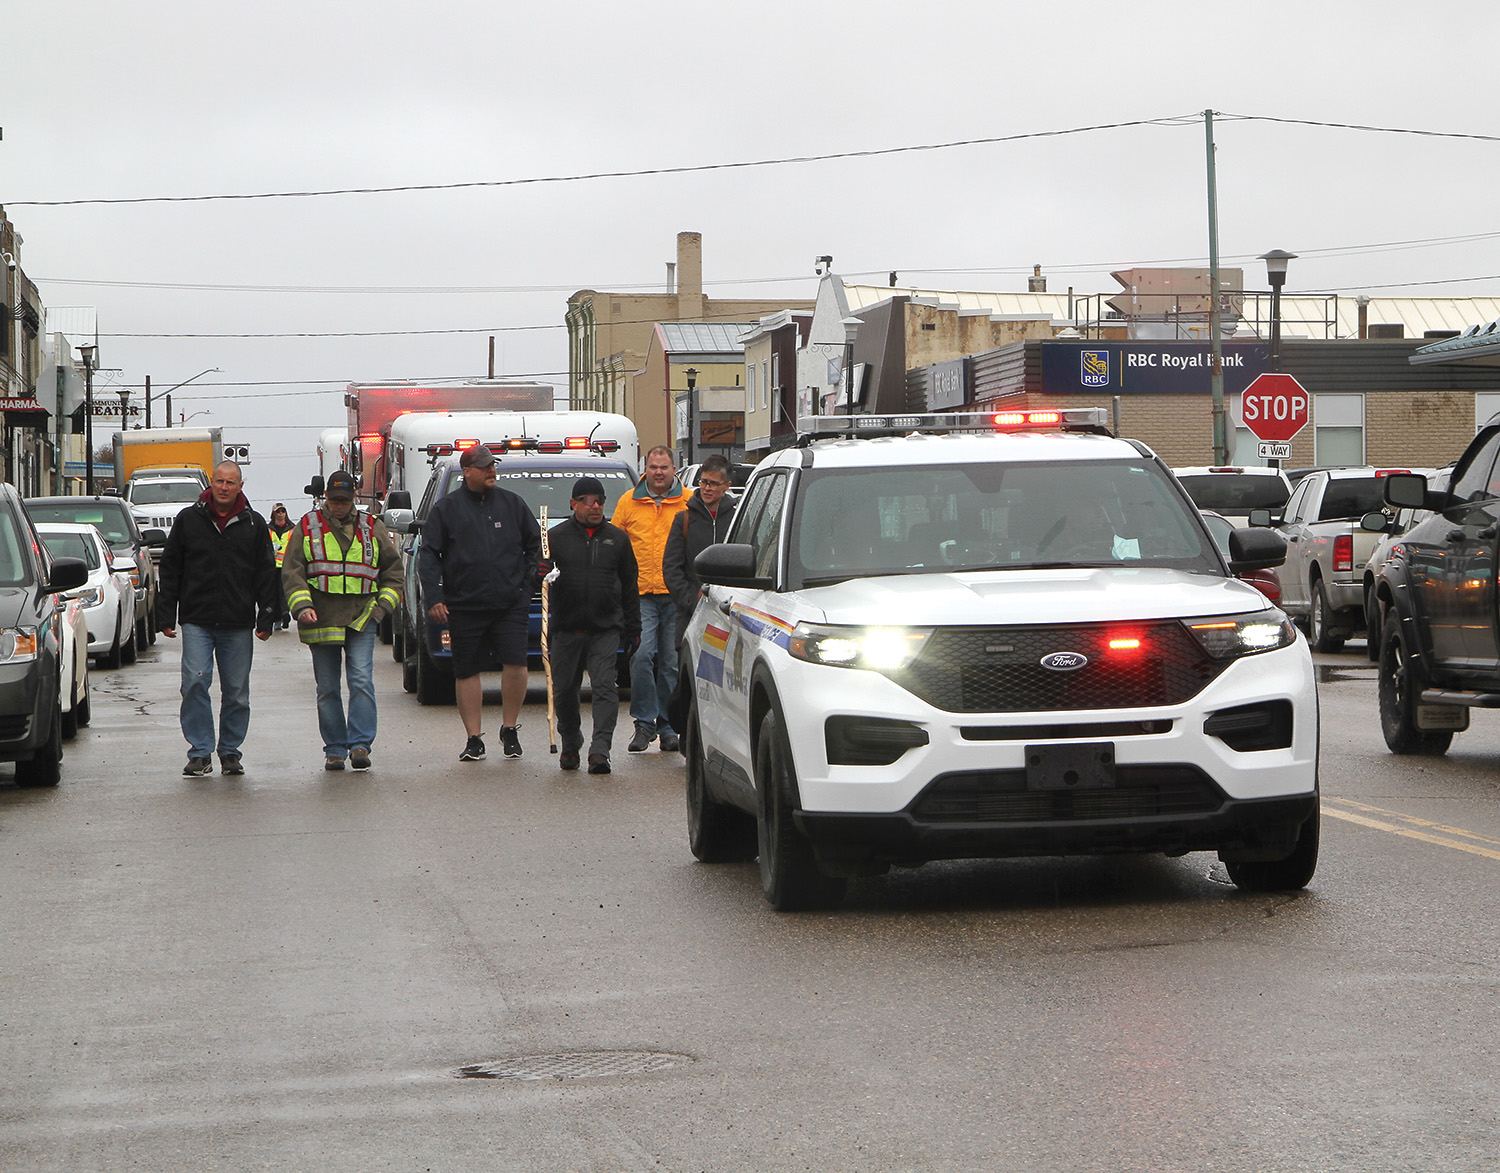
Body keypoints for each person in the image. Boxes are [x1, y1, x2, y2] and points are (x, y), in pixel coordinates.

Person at [418, 444, 541, 762]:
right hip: (464, 605)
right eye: (484, 467)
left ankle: (509, 728)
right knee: (467, 670)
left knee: (516, 664)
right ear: (467, 472)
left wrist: (526, 588)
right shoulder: (447, 509)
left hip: (510, 603)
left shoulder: (513, 504)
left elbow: (535, 546)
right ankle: (474, 738)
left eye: (492, 466)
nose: (491, 471)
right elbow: (429, 555)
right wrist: (435, 597)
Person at [157, 460, 280, 777]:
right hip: (197, 619)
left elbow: (267, 573)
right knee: (195, 682)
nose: (224, 487)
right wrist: (166, 613)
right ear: (211, 484)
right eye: (219, 481)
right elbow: (171, 569)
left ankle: (229, 752)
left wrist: (267, 617)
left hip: (238, 622)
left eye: (231, 482)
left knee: (237, 692)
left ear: (241, 486)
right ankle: (200, 752)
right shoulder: (188, 520)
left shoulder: (254, 524)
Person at [281, 470, 404, 772]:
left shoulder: (371, 527)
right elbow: (292, 572)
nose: (339, 506)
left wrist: (381, 609)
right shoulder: (307, 527)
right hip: (321, 618)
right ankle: (335, 749)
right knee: (328, 688)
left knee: (361, 681)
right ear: (325, 499)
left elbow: (394, 572)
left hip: (361, 617)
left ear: (352, 499)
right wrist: (302, 607)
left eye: (344, 500)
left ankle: (360, 745)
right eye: (334, 500)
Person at [542, 477, 640, 775]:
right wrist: (541, 571)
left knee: (604, 688)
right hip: (566, 628)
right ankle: (571, 742)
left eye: (600, 500)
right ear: (573, 504)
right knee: (564, 691)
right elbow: (537, 578)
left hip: (605, 628)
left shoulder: (617, 539)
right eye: (588, 500)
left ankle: (600, 751)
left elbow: (629, 586)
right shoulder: (554, 537)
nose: (595, 506)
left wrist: (633, 628)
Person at [611, 445, 689, 754]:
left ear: (674, 469)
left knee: (670, 663)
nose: (659, 472)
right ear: (646, 468)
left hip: (675, 595)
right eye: (654, 467)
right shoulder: (628, 502)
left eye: (664, 467)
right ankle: (644, 724)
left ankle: (668, 725)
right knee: (640, 657)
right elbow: (614, 546)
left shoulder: (688, 501)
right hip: (640, 594)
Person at [662, 454, 738, 648]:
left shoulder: (737, 519)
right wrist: (690, 601)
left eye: (713, 483)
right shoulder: (684, 520)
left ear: (726, 486)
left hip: (727, 613)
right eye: (704, 481)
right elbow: (671, 567)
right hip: (691, 615)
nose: (707, 488)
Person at [268, 503, 294, 629]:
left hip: (287, 565)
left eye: (282, 511)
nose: (280, 514)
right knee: (273, 593)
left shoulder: (292, 529)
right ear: (274, 514)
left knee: (284, 591)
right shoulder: (268, 529)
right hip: (272, 566)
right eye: (278, 512)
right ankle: (277, 618)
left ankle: (285, 614)